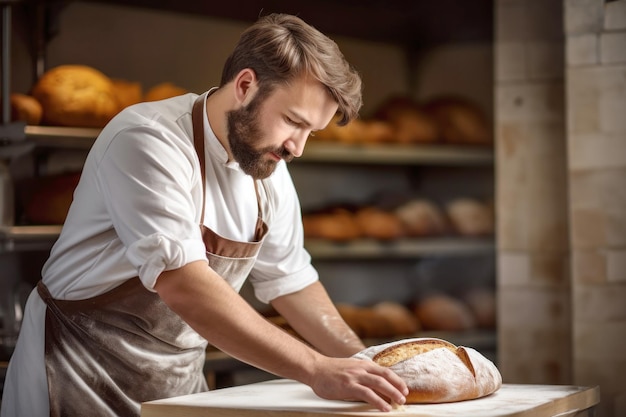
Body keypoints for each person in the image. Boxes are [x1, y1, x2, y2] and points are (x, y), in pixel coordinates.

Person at [0, 13, 408, 417]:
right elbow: (183, 285)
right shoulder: (148, 140)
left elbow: (290, 280)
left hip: (175, 388)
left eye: (310, 132)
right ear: (246, 86)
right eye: (292, 121)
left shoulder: (267, 172)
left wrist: (368, 363)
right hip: (73, 374)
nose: (297, 148)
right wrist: (316, 369)